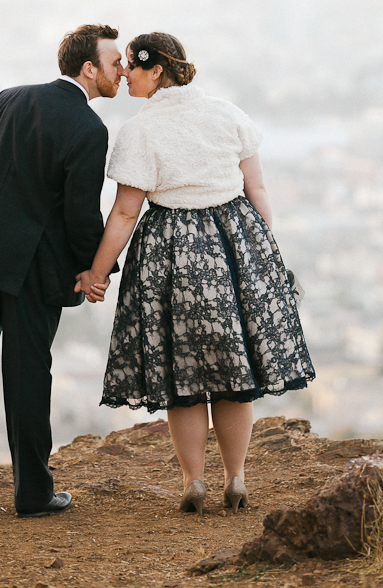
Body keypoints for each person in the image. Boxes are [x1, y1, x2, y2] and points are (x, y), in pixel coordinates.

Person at [75, 31, 315, 515]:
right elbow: (257, 188)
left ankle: (193, 481)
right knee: (233, 373)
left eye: (132, 68)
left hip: (171, 254)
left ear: (156, 71)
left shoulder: (140, 132)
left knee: (182, 377)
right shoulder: (227, 114)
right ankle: (237, 477)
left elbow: (124, 214)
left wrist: (96, 275)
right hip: (233, 243)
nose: (124, 73)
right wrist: (260, 255)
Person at [0, 24, 125, 519]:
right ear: (88, 68)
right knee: (28, 373)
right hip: (33, 267)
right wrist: (92, 269)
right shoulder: (89, 128)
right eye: (114, 61)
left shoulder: (6, 99)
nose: (122, 69)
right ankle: (33, 493)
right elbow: (81, 214)